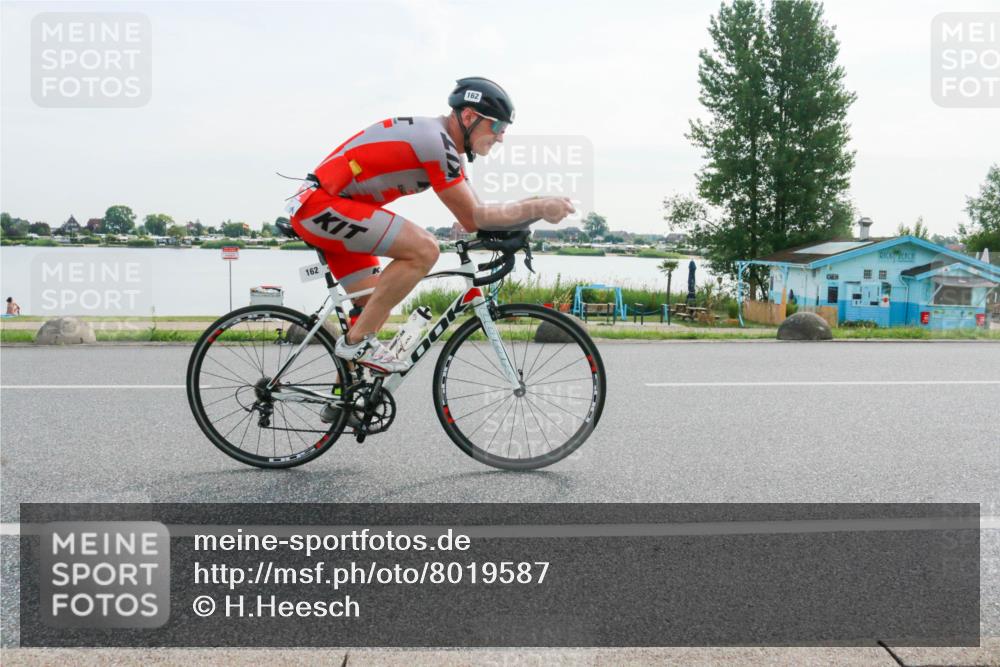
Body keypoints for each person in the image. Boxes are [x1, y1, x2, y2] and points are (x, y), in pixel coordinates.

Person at [288, 77, 574, 374]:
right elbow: (473, 218)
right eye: (498, 127)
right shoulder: (435, 143)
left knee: (377, 305)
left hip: (333, 210)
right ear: (468, 117)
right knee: (424, 249)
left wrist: (533, 212)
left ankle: (345, 401)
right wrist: (538, 206)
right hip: (320, 206)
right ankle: (355, 342)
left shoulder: (446, 148)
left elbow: (481, 215)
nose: (501, 137)